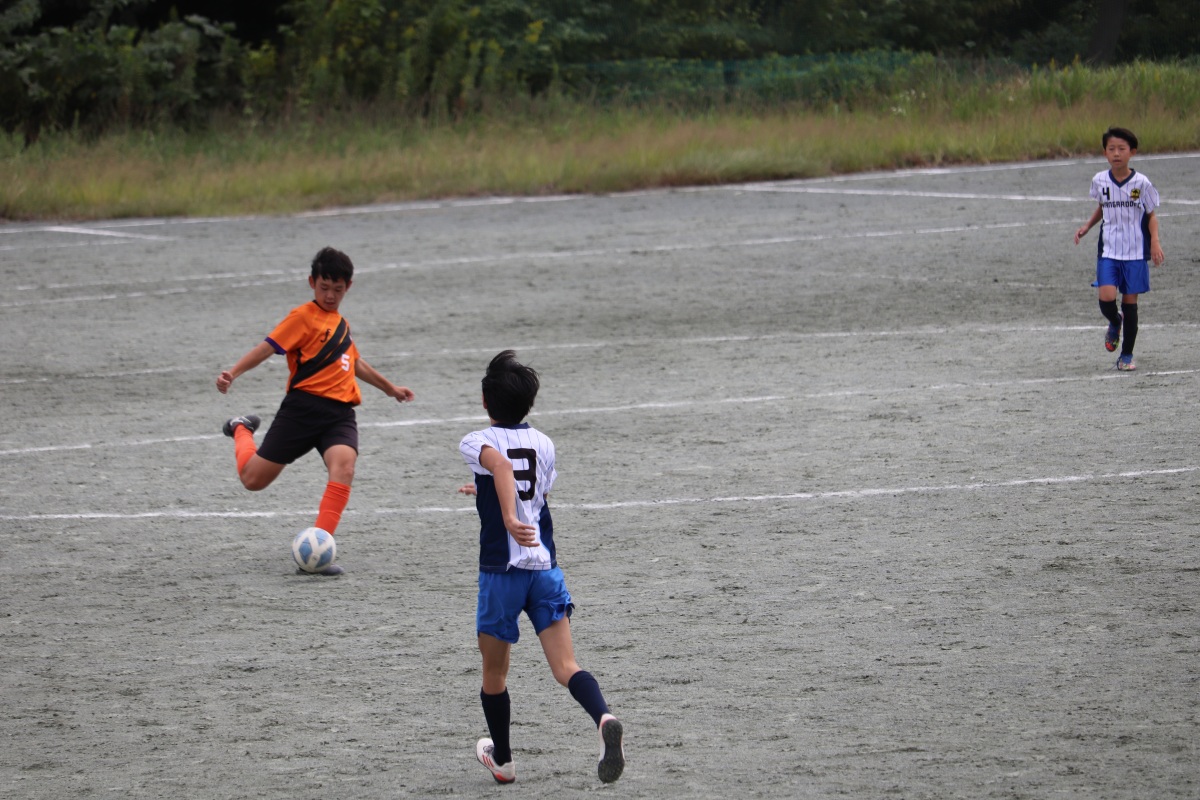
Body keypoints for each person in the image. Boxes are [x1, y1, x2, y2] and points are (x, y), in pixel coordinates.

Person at [457, 350, 624, 785]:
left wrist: (507, 517)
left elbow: (500, 466)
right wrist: (484, 491)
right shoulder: (545, 443)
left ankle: (504, 761)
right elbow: (534, 493)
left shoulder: (476, 440)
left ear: (485, 400)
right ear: (529, 404)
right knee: (566, 666)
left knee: (494, 673)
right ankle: (604, 717)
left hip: (502, 572)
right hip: (545, 568)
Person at [215, 246, 414, 575]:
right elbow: (266, 347)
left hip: (340, 415)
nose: (330, 295)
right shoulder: (302, 317)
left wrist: (390, 388)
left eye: (338, 289)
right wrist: (232, 373)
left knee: (344, 468)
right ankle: (240, 428)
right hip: (302, 410)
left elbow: (355, 362)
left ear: (348, 287)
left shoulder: (341, 324)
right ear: (312, 282)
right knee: (252, 480)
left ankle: (318, 553)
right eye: (324, 287)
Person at [1074, 126, 1166, 371]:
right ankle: (1115, 322)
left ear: (1132, 152)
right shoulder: (1099, 180)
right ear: (1105, 152)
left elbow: (1151, 215)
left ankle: (1126, 356)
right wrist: (1087, 226)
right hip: (1109, 250)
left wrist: (1155, 241)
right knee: (1106, 298)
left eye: (1121, 149)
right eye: (1111, 148)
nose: (1116, 153)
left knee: (1130, 304)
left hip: (1135, 252)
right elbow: (1103, 207)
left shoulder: (1141, 183)